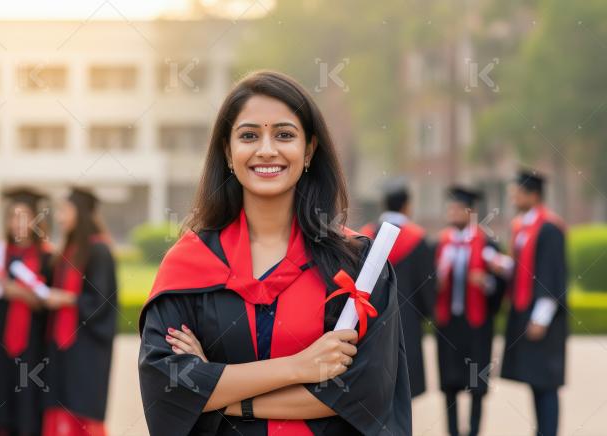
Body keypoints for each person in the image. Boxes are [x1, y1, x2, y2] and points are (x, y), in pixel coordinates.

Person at [138, 70, 411, 436]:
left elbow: (367, 394)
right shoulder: (188, 264)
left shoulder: (356, 264)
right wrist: (299, 367)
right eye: (249, 135)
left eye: (284, 135)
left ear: (309, 150)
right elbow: (167, 386)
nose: (267, 150)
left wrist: (217, 392)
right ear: (228, 152)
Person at [0, 187, 61, 436]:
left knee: (27, 407)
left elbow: (48, 304)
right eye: (13, 216)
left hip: (34, 347)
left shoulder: (49, 258)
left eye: (24, 216)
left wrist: (17, 292)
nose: (18, 223)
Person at [497, 169, 567, 436]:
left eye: (518, 191)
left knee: (546, 382)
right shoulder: (522, 227)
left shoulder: (549, 227)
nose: (513, 196)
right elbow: (522, 269)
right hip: (525, 311)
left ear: (533, 194)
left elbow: (551, 274)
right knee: (534, 380)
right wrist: (501, 266)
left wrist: (541, 317)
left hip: (542, 317)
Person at [43, 188, 118, 436]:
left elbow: (101, 302)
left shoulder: (99, 251)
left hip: (86, 346)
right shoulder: (68, 249)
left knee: (81, 407)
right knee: (59, 404)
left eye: (65, 211)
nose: (60, 217)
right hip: (62, 347)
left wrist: (66, 299)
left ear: (82, 214)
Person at [435, 186, 507, 436]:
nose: (451, 212)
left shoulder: (487, 243)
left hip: (477, 325)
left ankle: (474, 431)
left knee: (476, 383)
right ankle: (452, 432)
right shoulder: (440, 243)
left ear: (470, 212)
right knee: (450, 384)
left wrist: (486, 282)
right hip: (449, 324)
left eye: (456, 208)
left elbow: (502, 284)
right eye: (450, 208)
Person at [360, 178, 435, 398]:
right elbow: (427, 284)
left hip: (373, 318)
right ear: (407, 205)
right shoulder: (418, 239)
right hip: (407, 320)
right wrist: (426, 313)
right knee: (405, 383)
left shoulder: (365, 236)